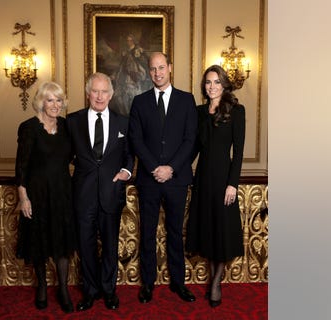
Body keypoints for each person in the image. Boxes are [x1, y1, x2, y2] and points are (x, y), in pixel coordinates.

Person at [128, 52, 198, 304]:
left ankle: (178, 283)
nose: (157, 73)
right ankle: (147, 284)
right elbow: (135, 139)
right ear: (148, 72)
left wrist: (171, 168)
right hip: (149, 180)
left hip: (177, 179)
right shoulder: (140, 102)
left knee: (175, 232)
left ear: (170, 67)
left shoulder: (186, 100)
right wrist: (153, 167)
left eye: (161, 67)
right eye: (152, 69)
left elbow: (191, 140)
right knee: (147, 232)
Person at [66, 72, 134, 311]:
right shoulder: (72, 121)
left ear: (111, 94)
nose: (99, 96)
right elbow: (62, 155)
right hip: (82, 195)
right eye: (95, 91)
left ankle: (108, 290)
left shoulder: (122, 122)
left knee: (110, 245)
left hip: (110, 193)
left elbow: (129, 154)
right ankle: (90, 291)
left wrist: (126, 171)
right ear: (88, 94)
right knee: (85, 247)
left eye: (104, 91)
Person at [186, 65, 246, 308]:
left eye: (216, 82)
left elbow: (239, 152)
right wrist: (174, 168)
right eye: (208, 82)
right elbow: (193, 148)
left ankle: (216, 283)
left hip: (223, 180)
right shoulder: (199, 112)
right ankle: (213, 279)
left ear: (224, 84)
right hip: (203, 178)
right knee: (208, 230)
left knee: (221, 230)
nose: (212, 87)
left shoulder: (236, 111)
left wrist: (232, 184)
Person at [14, 81, 76, 313]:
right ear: (41, 102)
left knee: (62, 244)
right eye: (50, 100)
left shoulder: (66, 126)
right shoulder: (28, 128)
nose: (55, 105)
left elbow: (75, 157)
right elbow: (21, 166)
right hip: (37, 195)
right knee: (39, 242)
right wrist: (23, 197)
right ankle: (41, 286)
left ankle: (63, 289)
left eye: (58, 100)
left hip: (62, 193)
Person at [110, 33, 151, 116]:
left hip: (135, 72)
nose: (129, 42)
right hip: (125, 73)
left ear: (134, 41)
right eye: (127, 41)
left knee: (134, 93)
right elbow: (121, 65)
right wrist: (115, 74)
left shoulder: (138, 50)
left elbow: (144, 61)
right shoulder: (125, 52)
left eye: (130, 40)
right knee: (121, 95)